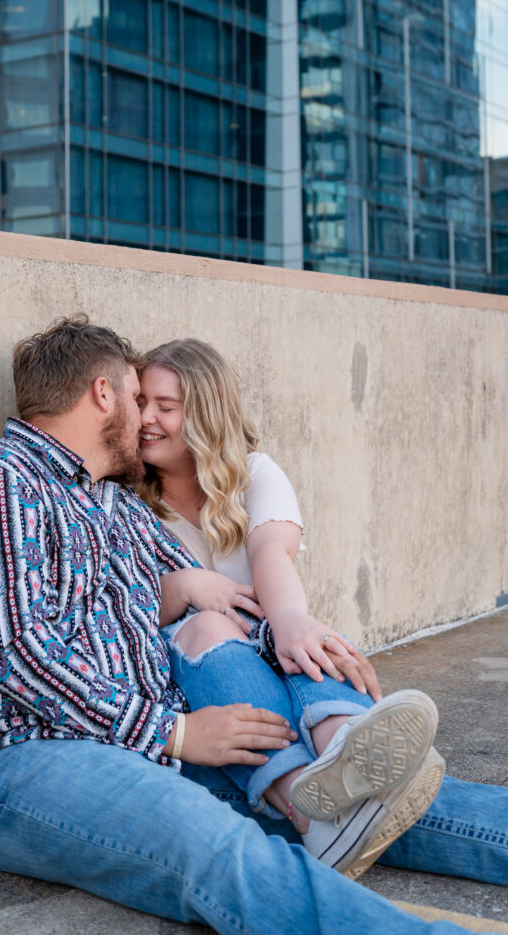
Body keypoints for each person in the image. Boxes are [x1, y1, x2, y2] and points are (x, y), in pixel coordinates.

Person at [0, 317, 505, 935]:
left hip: (144, 742)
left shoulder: (113, 506)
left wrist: (303, 649)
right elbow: (19, 654)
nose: (144, 420)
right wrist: (176, 732)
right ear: (105, 395)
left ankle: (328, 774)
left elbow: (219, 606)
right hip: (18, 760)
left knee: (384, 805)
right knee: (226, 853)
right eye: (140, 399)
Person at [137, 336, 508, 885]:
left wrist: (292, 621)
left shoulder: (255, 474)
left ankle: (344, 755)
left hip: (276, 672)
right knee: (212, 624)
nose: (145, 418)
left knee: (290, 630)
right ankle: (327, 792)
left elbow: (271, 552)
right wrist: (189, 585)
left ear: (206, 415)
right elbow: (132, 605)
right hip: (207, 688)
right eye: (140, 402)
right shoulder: (128, 502)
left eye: (164, 407)